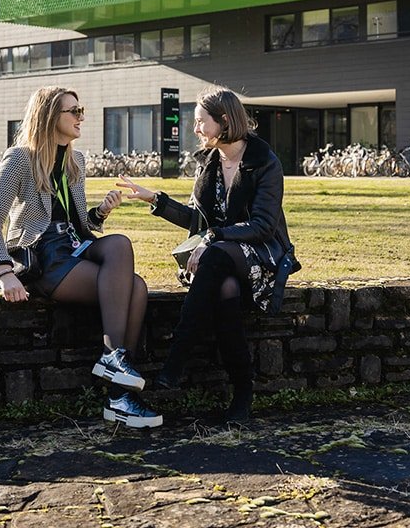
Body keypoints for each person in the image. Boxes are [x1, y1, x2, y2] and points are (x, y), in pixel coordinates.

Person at [0, 86, 161, 429]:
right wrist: (3, 271)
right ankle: (121, 396)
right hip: (44, 254)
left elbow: (77, 222)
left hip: (75, 243)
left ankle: (114, 360)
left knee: (119, 243)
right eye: (73, 111)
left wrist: (100, 213)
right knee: (135, 288)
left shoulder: (76, 160)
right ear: (50, 116)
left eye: (81, 110)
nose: (81, 117)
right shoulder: (19, 158)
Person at [119, 85, 295, 424]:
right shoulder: (208, 162)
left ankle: (176, 358)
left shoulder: (264, 162)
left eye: (201, 122)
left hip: (260, 257)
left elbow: (262, 226)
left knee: (214, 258)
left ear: (225, 121)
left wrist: (213, 238)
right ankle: (243, 392)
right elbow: (195, 219)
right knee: (224, 291)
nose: (195, 129)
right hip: (219, 260)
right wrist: (154, 199)